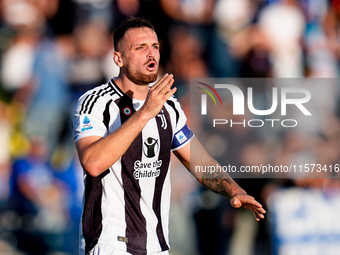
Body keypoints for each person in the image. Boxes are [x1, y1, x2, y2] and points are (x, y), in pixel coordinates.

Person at [72, 16, 266, 255]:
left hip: (156, 245)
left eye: (155, 46)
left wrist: (234, 190)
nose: (150, 53)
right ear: (118, 58)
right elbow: (92, 162)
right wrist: (144, 113)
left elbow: (201, 162)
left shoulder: (169, 106)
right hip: (110, 242)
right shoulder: (95, 102)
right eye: (140, 47)